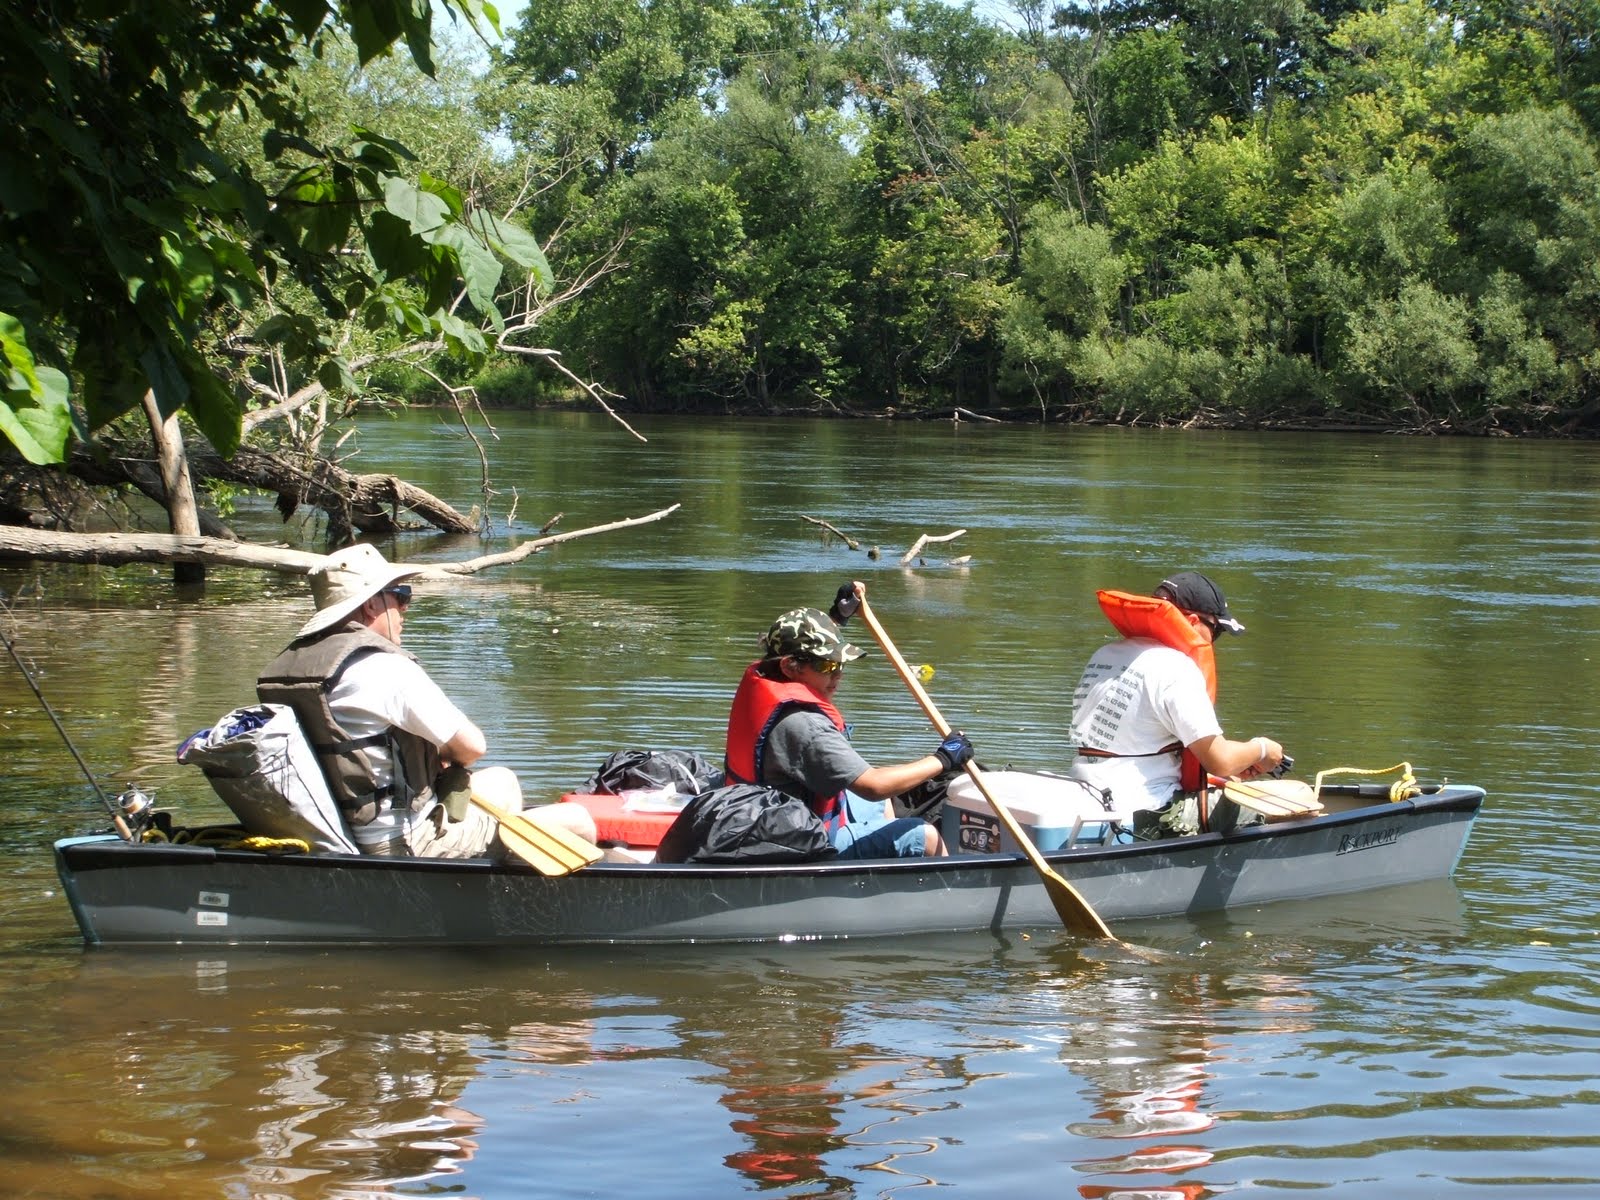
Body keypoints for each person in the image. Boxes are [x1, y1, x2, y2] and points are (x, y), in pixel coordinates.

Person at [256, 543, 595, 857]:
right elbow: (472, 747)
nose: (405, 607)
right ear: (371, 604)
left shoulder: (290, 667)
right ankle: (499, 894)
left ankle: (493, 867)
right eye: (400, 595)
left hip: (338, 829)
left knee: (502, 781)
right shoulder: (383, 667)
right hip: (402, 841)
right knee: (578, 820)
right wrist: (441, 755)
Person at [724, 586, 965, 858]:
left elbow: (802, 649)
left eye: (840, 663)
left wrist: (838, 616)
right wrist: (945, 757)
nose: (838, 674)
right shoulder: (805, 726)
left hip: (768, 820)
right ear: (790, 666)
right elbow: (874, 785)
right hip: (802, 842)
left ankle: (881, 872)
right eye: (827, 667)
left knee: (884, 804)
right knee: (926, 835)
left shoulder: (769, 675)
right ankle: (944, 891)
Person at [1065, 570, 1287, 835]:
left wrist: (1240, 762)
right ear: (1193, 621)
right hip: (1144, 810)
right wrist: (1263, 750)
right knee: (1271, 808)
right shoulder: (1176, 668)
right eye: (1215, 631)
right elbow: (1220, 761)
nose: (1213, 643)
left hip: (1086, 792)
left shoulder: (1106, 654)